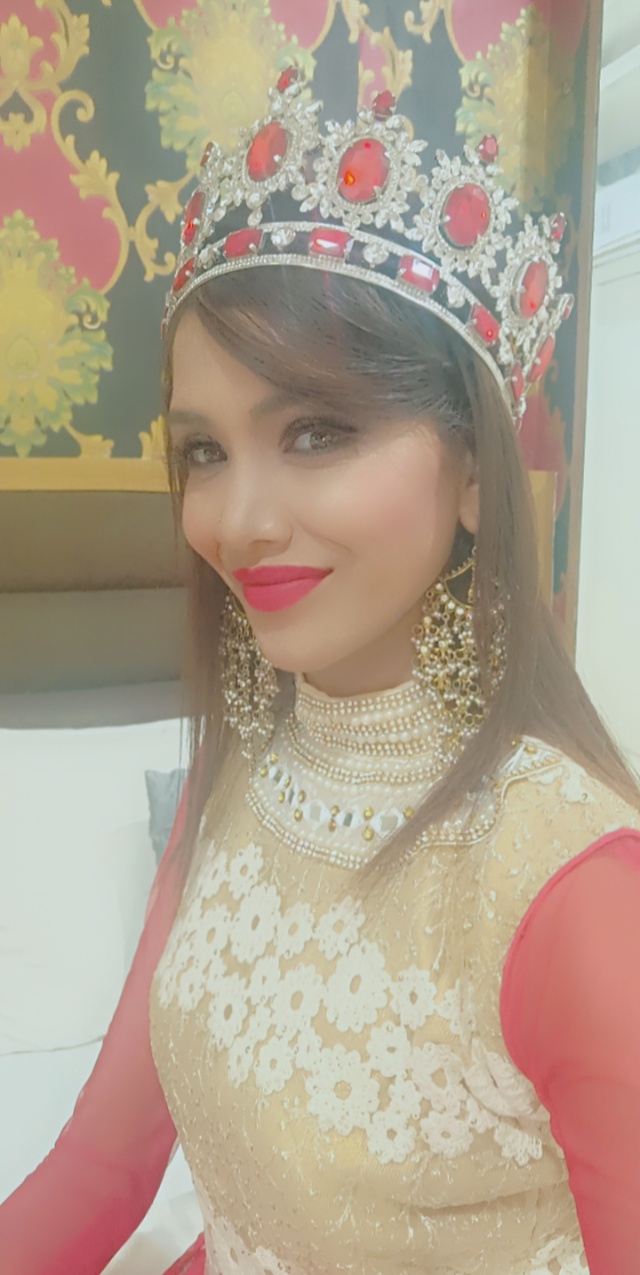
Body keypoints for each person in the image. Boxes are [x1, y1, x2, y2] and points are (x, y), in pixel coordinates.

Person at [2, 70, 640, 1275]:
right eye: (203, 451)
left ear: (471, 473)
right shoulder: (236, 773)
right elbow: (101, 1166)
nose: (238, 521)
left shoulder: (571, 890)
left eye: (316, 431)